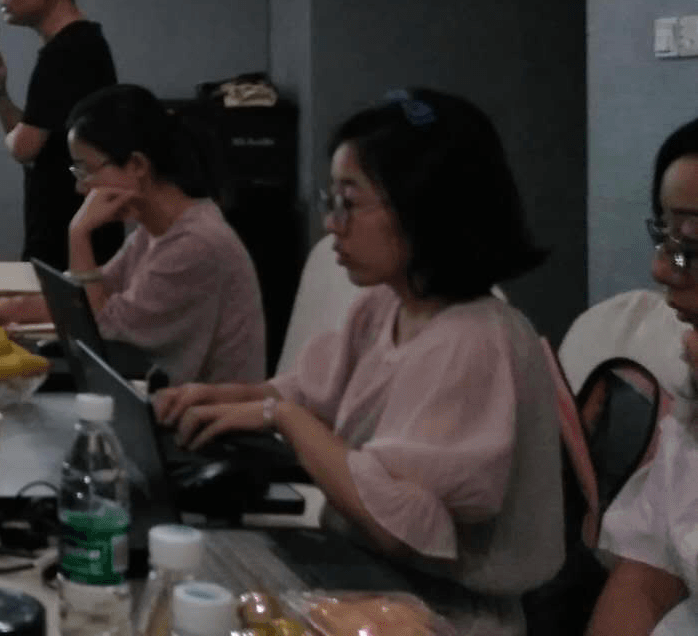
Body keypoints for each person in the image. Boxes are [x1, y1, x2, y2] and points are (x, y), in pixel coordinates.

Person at [155, 89, 562, 631]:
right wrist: (220, 398)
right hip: (371, 582)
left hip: (440, 614)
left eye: (350, 202)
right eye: (332, 200)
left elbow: (399, 525)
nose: (332, 223)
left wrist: (281, 417)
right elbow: (310, 392)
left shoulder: (476, 340)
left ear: (424, 207)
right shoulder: (385, 306)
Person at [0, 84, 266, 386]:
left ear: (137, 165)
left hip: (205, 413)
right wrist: (2, 310)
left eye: (85, 170)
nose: (80, 187)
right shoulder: (153, 232)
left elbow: (98, 330)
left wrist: (78, 234)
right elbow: (88, 298)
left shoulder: (196, 245)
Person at [588, 115, 698, 636]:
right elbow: (648, 573)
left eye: (692, 243)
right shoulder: (690, 399)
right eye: (665, 235)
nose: (662, 269)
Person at [0, 0, 120, 270]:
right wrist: (0, 93)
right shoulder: (78, 44)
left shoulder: (67, 52)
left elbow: (23, 148)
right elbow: (37, 144)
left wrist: (15, 134)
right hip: (66, 233)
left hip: (69, 240)